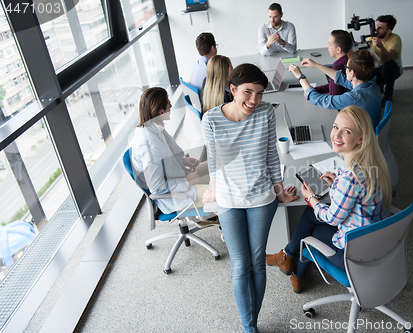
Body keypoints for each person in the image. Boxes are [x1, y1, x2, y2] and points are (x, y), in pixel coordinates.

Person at [201, 63, 299, 332]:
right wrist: (213, 187)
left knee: (257, 262)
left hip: (261, 199)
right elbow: (214, 161)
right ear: (232, 90)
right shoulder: (211, 119)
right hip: (229, 201)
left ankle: (250, 325)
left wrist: (279, 190)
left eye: (260, 93)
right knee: (240, 265)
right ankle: (249, 326)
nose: (254, 100)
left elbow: (271, 154)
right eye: (247, 92)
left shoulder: (265, 112)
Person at [266, 105, 392, 293]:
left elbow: (333, 218)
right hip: (372, 238)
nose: (337, 134)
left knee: (309, 232)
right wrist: (335, 186)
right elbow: (355, 197)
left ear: (360, 139)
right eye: (335, 127)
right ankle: (287, 258)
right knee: (311, 214)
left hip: (355, 253)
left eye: (346, 131)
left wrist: (312, 199)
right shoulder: (370, 163)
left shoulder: (350, 177)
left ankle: (294, 269)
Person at [130, 87, 212, 219]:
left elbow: (163, 158)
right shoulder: (148, 144)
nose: (172, 105)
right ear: (161, 111)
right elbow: (157, 187)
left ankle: (210, 218)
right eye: (168, 102)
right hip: (174, 197)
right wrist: (186, 182)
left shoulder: (154, 127)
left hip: (179, 176)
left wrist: (182, 161)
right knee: (221, 194)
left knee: (213, 166)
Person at [288, 49, 381, 130]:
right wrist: (316, 65)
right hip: (369, 131)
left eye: (346, 67)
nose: (345, 70)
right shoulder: (373, 86)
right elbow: (342, 79)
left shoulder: (352, 98)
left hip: (360, 138)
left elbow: (319, 99)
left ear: (351, 73)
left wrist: (300, 76)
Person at [367, 15, 403, 105]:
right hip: (376, 67)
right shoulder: (370, 39)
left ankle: (388, 94)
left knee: (389, 64)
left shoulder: (395, 39)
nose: (377, 29)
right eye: (377, 26)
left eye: (380, 28)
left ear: (388, 31)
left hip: (392, 69)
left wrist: (380, 46)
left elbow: (387, 58)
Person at [314, 30, 352, 97]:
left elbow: (333, 97)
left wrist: (311, 94)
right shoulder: (349, 60)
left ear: (338, 49)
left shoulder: (337, 68)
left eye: (329, 44)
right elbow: (336, 84)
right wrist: (316, 90)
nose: (327, 46)